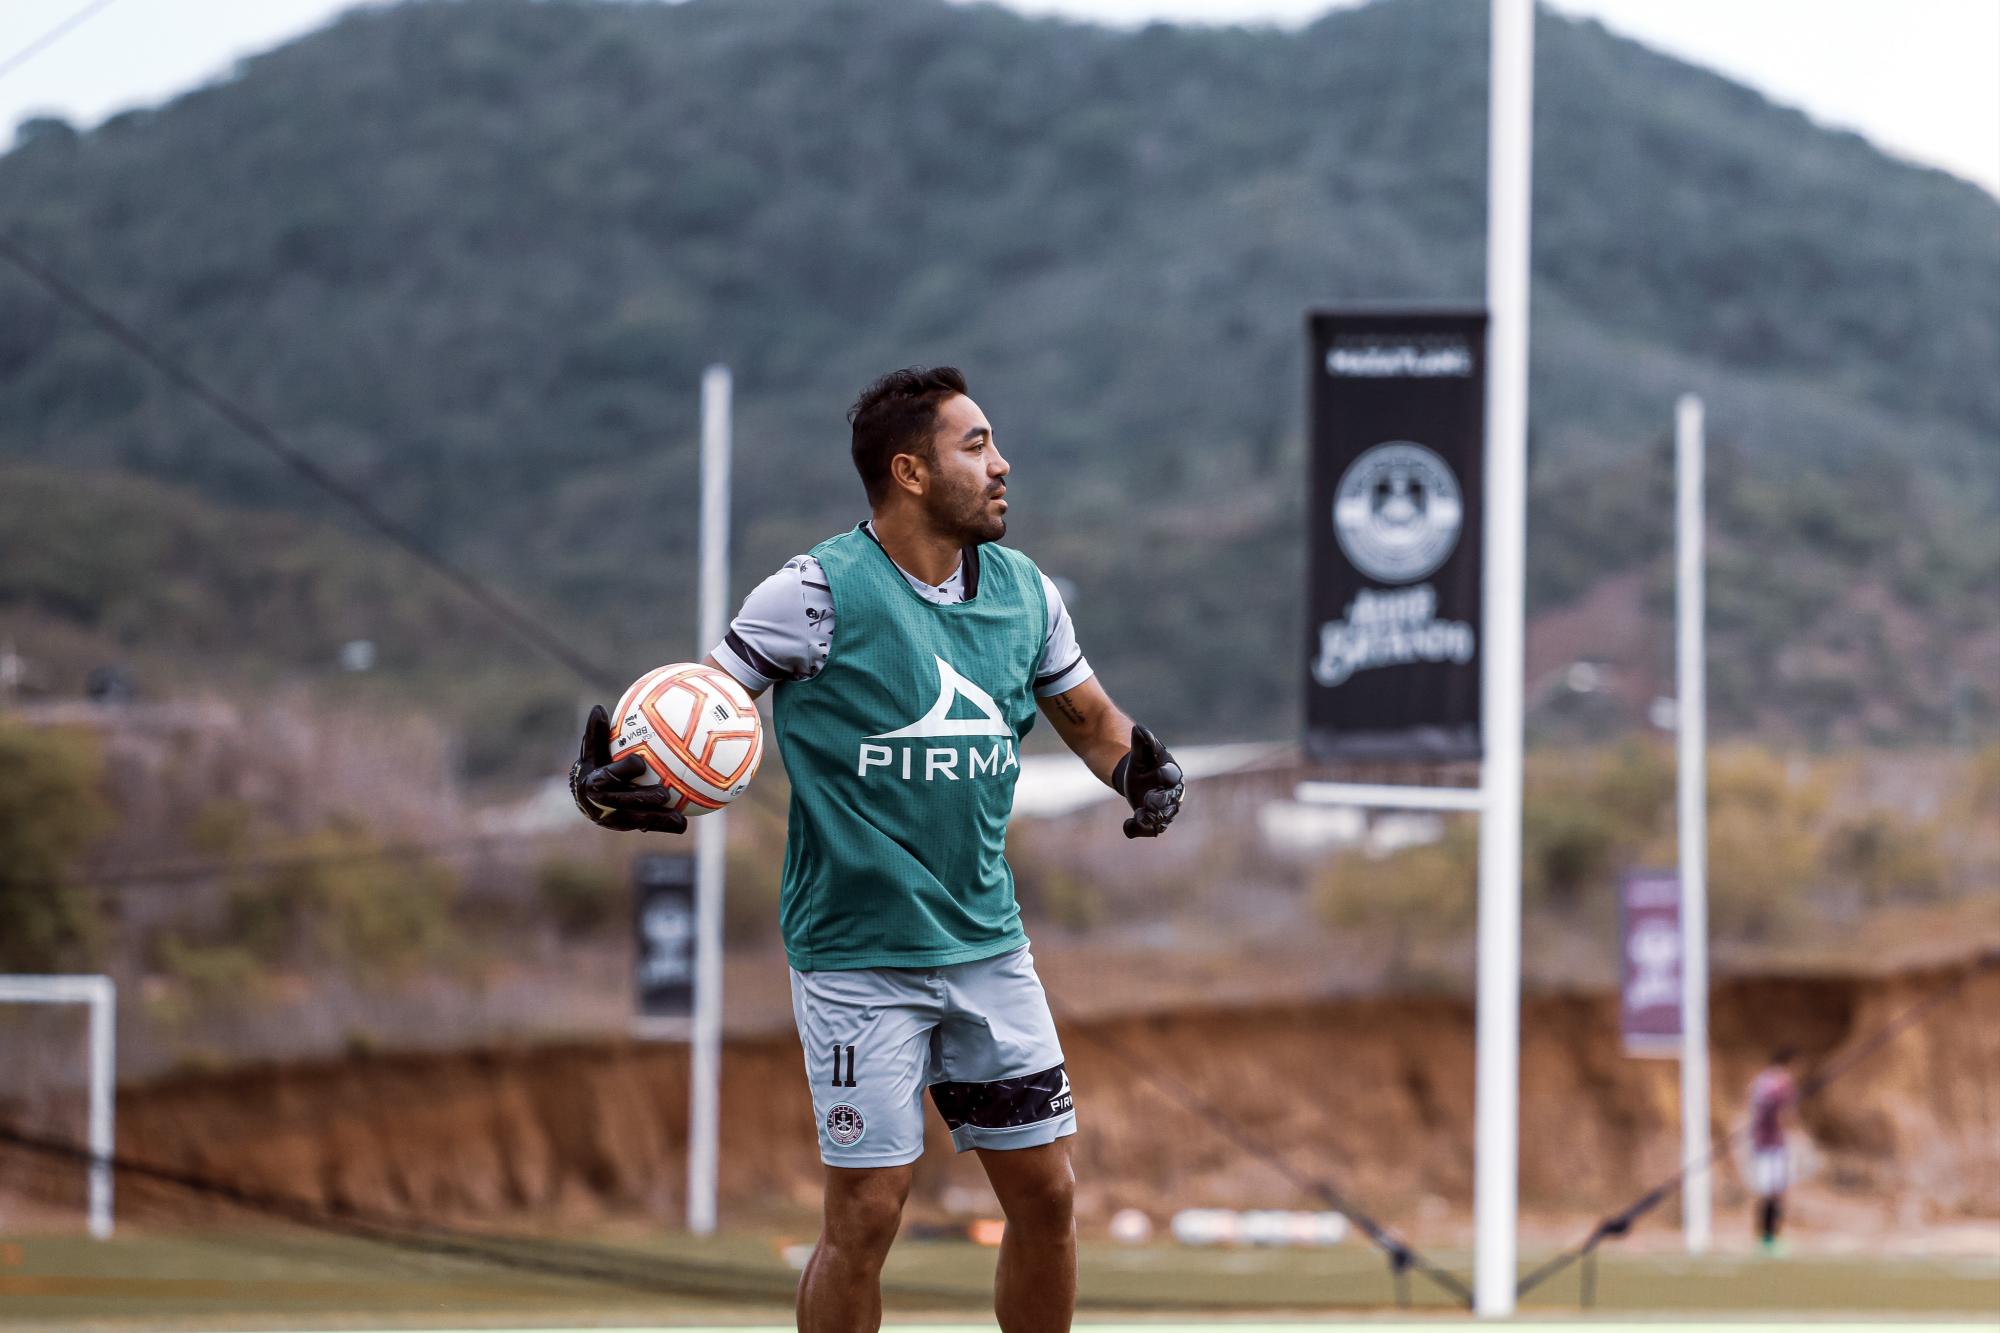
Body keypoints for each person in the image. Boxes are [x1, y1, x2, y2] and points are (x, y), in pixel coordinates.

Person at [569, 366, 1186, 1333]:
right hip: (857, 960)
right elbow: (697, 715)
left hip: (989, 949)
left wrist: (1144, 773)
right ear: (908, 471)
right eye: (975, 444)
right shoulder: (811, 593)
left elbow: (1096, 720)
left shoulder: (1027, 594)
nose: (1001, 463)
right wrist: (614, 786)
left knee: (1049, 1196)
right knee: (864, 1214)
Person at [1747, 1047, 1799, 1254]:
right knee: (1775, 1192)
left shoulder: (1760, 1081)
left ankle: (1763, 1237)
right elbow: (1785, 1114)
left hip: (1759, 1143)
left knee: (1765, 1191)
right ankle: (1770, 1237)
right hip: (1775, 1144)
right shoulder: (1783, 1082)